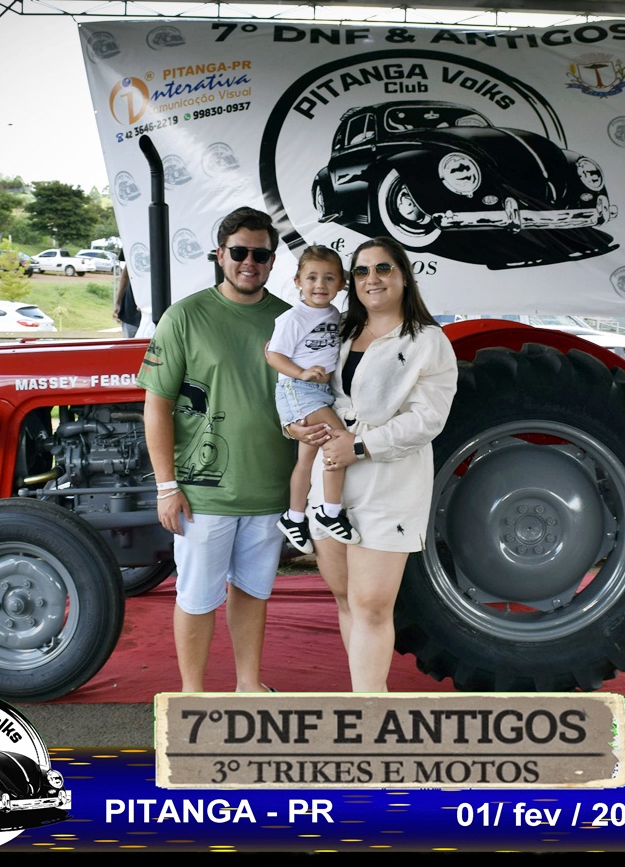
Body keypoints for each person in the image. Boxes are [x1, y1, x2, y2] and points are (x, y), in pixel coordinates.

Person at [137, 207, 296, 693]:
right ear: (220, 255)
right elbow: (156, 406)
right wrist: (167, 487)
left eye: (260, 255)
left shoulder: (290, 321)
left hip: (269, 489)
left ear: (272, 261)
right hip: (202, 493)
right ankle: (193, 695)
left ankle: (249, 687)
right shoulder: (184, 316)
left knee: (252, 592)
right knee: (197, 596)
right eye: (239, 252)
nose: (250, 262)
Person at [294, 237, 457, 692]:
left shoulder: (428, 341)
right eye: (362, 271)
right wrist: (297, 428)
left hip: (388, 482)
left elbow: (428, 419)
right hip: (330, 478)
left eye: (383, 268)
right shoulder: (339, 331)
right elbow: (303, 388)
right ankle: (365, 699)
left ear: (404, 276)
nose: (373, 279)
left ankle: (369, 711)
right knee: (346, 598)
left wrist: (361, 446)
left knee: (371, 605)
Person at [263, 246, 356, 553]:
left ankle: (293, 517)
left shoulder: (333, 315)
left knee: (305, 459)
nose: (320, 284)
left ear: (341, 283)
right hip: (298, 389)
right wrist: (301, 373)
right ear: (298, 281)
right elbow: (274, 355)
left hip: (319, 392)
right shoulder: (293, 318)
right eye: (312, 277)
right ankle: (331, 512)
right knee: (338, 441)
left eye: (329, 278)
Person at [113, 264, 143, 338]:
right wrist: (118, 302)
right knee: (130, 343)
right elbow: (125, 274)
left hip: (158, 312)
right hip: (131, 310)